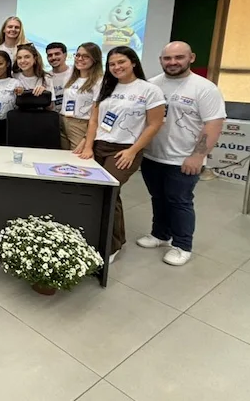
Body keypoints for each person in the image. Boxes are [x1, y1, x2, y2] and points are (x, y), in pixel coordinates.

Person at [137, 42, 226, 266]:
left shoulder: (204, 88)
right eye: (167, 58)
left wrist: (198, 156)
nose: (173, 62)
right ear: (160, 60)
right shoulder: (152, 85)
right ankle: (160, 234)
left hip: (183, 159)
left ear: (191, 58)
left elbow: (213, 125)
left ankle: (182, 245)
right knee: (158, 198)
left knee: (180, 201)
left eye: (179, 57)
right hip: (153, 156)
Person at [79, 46, 165, 263]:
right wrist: (89, 146)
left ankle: (112, 245)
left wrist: (133, 151)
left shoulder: (149, 90)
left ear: (133, 62)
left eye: (121, 62)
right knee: (96, 193)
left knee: (109, 191)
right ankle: (96, 235)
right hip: (99, 146)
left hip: (125, 149)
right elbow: (94, 120)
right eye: (112, 64)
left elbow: (154, 125)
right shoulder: (105, 86)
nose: (116, 67)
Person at [60, 42, 103, 150]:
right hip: (63, 121)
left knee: (77, 159)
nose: (80, 59)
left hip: (81, 124)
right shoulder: (70, 77)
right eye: (78, 55)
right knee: (62, 158)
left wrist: (86, 137)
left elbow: (96, 116)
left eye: (86, 56)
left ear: (95, 59)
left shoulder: (99, 81)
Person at [13, 44, 53, 109]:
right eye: (19, 58)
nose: (22, 61)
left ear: (35, 59)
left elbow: (51, 107)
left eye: (27, 57)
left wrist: (45, 94)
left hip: (39, 116)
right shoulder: (13, 76)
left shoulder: (46, 78)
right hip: (18, 116)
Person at [46, 42, 71, 112]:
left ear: (65, 55)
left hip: (71, 119)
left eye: (57, 54)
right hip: (53, 119)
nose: (53, 57)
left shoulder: (75, 74)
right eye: (50, 55)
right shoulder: (45, 77)